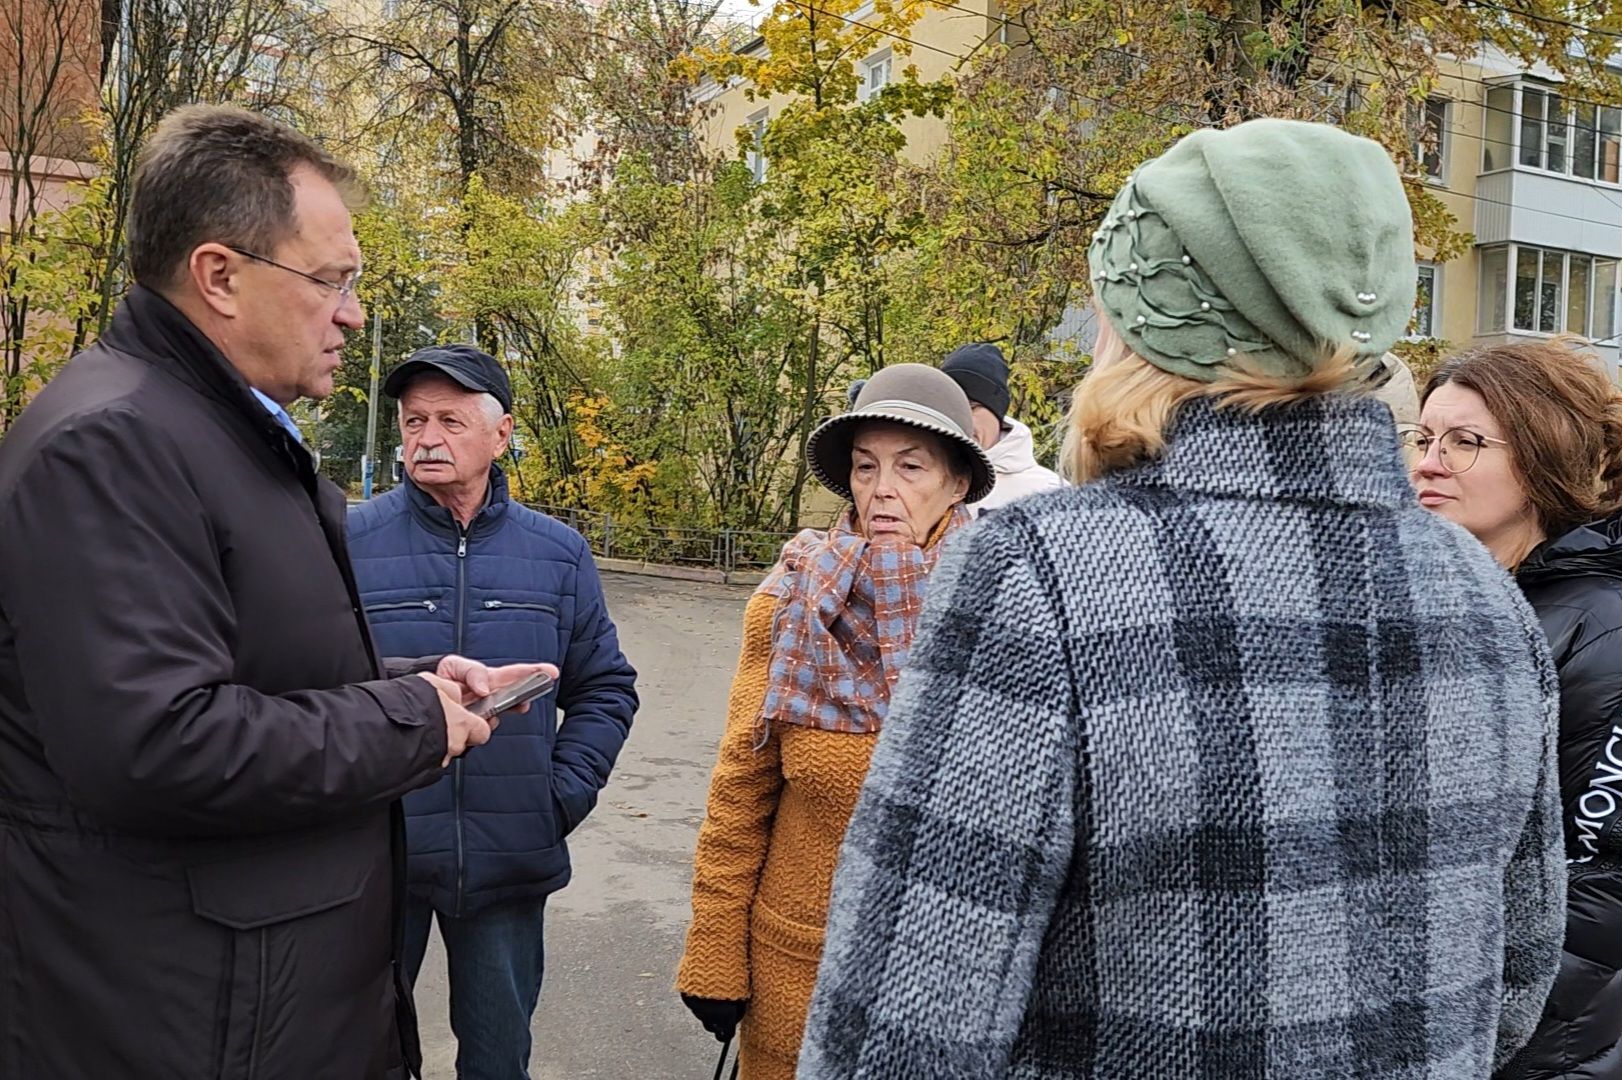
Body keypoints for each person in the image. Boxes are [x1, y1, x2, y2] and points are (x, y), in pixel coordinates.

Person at [797, 119, 1567, 1078]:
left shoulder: (1040, 572)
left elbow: (903, 1025)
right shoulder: (1488, 601)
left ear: (1149, 322)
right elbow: (1517, 983)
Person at [0, 104, 552, 1080]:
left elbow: (254, 660)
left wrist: (421, 679)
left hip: (257, 1005)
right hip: (187, 1022)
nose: (353, 313)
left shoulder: (221, 433)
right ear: (219, 276)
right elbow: (159, 743)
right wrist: (410, 722)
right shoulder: (113, 447)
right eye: (331, 281)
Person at [675, 364, 994, 1079]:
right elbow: (738, 791)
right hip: (797, 965)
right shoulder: (790, 604)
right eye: (865, 467)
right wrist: (715, 952)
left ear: (957, 483)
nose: (883, 489)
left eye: (910, 467)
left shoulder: (998, 614)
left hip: (943, 974)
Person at [347, 345, 639, 1080]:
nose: (426, 437)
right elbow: (317, 684)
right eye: (414, 421)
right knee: (360, 1054)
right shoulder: (350, 542)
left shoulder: (558, 554)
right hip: (377, 856)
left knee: (498, 1060)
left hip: (509, 860)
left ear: (500, 434)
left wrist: (556, 797)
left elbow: (605, 687)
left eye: (449, 419)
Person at [1410, 340, 1622, 1080]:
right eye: (1422, 437)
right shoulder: (1447, 594)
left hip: (1526, 1054)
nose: (1428, 461)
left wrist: (1477, 1019)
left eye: (1464, 441)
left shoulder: (1607, 626)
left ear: (1543, 456)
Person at [941, 342, 1065, 512]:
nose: (961, 420)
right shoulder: (920, 482)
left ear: (996, 412)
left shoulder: (1049, 492)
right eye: (951, 409)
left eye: (971, 408)